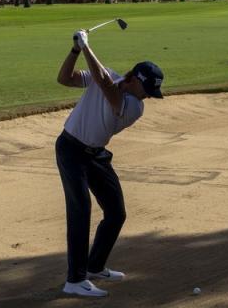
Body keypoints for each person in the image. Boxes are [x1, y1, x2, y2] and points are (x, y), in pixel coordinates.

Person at [55, 28, 165, 298]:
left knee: (116, 212)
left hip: (96, 155)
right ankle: (75, 280)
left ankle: (94, 266)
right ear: (134, 79)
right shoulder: (109, 77)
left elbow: (105, 85)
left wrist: (87, 47)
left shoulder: (134, 106)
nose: (148, 96)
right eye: (147, 89)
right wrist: (75, 50)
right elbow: (64, 79)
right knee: (81, 210)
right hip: (71, 149)